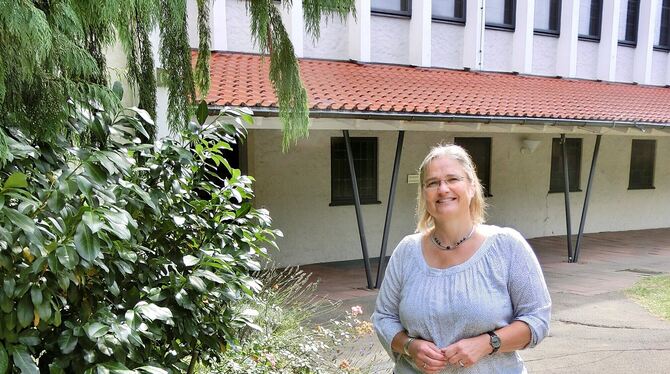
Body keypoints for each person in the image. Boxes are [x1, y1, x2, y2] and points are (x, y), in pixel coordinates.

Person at [371, 144, 551, 373]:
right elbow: (384, 317)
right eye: (432, 183)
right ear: (424, 193)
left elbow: (537, 319)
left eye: (452, 179)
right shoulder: (407, 251)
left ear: (472, 186)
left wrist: (488, 344)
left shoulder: (507, 246)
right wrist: (410, 346)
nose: (443, 189)